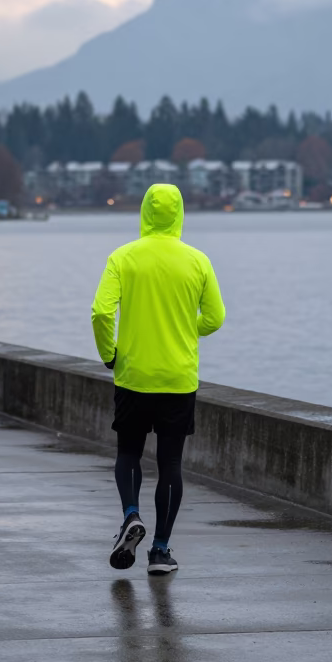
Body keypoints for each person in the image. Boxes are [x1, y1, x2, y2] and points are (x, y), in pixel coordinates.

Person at [91, 183, 225, 575]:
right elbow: (215, 318)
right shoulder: (198, 261)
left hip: (133, 375)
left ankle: (131, 515)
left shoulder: (123, 257)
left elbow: (101, 313)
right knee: (170, 463)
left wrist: (109, 355)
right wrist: (185, 328)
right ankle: (161, 551)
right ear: (180, 213)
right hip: (178, 378)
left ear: (144, 212)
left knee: (129, 452)